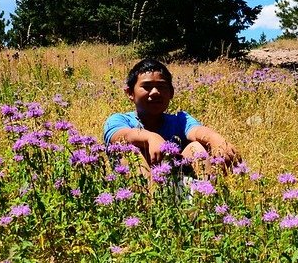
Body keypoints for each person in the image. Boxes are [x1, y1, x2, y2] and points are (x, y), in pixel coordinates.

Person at [103, 58, 240, 176]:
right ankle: (147, 204)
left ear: (171, 93)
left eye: (162, 87)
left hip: (180, 184)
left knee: (196, 148)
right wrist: (151, 137)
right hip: (138, 191)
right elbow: (121, 136)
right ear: (130, 93)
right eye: (146, 86)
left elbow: (197, 130)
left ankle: (205, 200)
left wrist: (216, 140)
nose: (155, 92)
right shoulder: (118, 120)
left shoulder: (180, 120)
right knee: (129, 152)